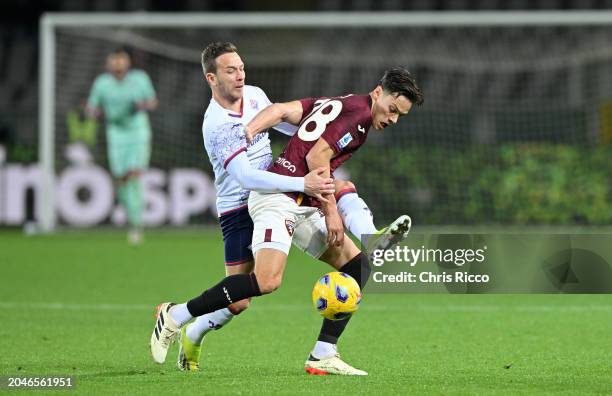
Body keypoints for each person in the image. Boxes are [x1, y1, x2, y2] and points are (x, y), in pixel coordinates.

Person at [150, 42, 421, 374]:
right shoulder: (217, 125)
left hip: (294, 193)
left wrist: (257, 130)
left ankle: (323, 352)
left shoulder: (322, 103)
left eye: (241, 68)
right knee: (259, 286)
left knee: (357, 265)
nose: (393, 119)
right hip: (262, 199)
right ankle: (177, 315)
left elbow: (281, 113)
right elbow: (294, 163)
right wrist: (329, 208)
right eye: (392, 109)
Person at [86, 48, 158, 245]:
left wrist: (141, 105)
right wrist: (94, 113)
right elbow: (92, 106)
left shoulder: (140, 79)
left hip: (138, 132)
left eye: (121, 61)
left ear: (127, 63)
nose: (118, 66)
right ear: (109, 64)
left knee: (133, 174)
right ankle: (133, 218)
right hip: (116, 134)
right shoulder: (102, 83)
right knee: (121, 179)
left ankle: (136, 225)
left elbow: (152, 102)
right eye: (114, 62)